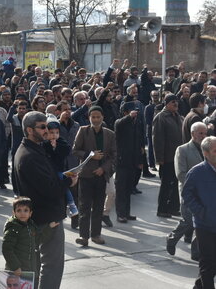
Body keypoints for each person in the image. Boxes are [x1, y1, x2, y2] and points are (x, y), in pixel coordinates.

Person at [14, 111, 76, 289]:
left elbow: (49, 176)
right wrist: (68, 181)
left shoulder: (35, 149)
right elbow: (50, 189)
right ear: (29, 129)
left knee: (36, 265)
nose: (46, 131)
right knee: (52, 266)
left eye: (47, 127)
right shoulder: (29, 155)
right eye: (42, 127)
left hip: (41, 216)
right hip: (45, 218)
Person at [72, 106, 116, 246]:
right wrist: (91, 155)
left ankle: (96, 234)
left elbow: (113, 156)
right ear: (89, 118)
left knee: (98, 206)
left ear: (102, 117)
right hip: (86, 175)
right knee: (84, 206)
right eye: (93, 117)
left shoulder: (109, 134)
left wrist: (103, 169)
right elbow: (75, 150)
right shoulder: (83, 131)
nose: (96, 119)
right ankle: (83, 236)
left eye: (98, 117)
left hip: (101, 175)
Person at [167, 122, 207, 257]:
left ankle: (196, 252)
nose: (203, 136)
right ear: (192, 133)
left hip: (205, 192)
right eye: (200, 133)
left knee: (201, 222)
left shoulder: (207, 149)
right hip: (189, 191)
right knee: (188, 220)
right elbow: (180, 174)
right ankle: (172, 239)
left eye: (205, 133)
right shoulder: (182, 150)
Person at [182, 136, 216, 289]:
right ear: (206, 153)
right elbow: (187, 195)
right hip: (205, 226)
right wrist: (201, 213)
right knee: (208, 263)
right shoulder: (196, 172)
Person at [2, 197, 58, 284]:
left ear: (30, 213)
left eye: (25, 210)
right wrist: (15, 267)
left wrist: (49, 228)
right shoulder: (13, 228)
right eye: (19, 210)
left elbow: (38, 240)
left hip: (28, 270)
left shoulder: (31, 226)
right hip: (17, 270)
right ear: (14, 212)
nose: (22, 213)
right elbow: (7, 249)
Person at [153, 94, 184, 218]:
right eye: (172, 102)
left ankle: (173, 207)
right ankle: (162, 209)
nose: (175, 104)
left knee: (176, 183)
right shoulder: (161, 117)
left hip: (178, 156)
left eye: (176, 102)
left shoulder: (179, 117)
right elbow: (157, 139)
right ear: (166, 104)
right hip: (167, 157)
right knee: (166, 184)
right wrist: (159, 158)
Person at [114, 102, 144, 223]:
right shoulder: (120, 122)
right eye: (131, 111)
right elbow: (120, 125)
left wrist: (140, 160)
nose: (134, 114)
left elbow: (140, 143)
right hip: (122, 161)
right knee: (121, 188)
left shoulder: (136, 124)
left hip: (133, 161)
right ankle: (120, 214)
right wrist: (128, 117)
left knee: (128, 188)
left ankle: (126, 212)